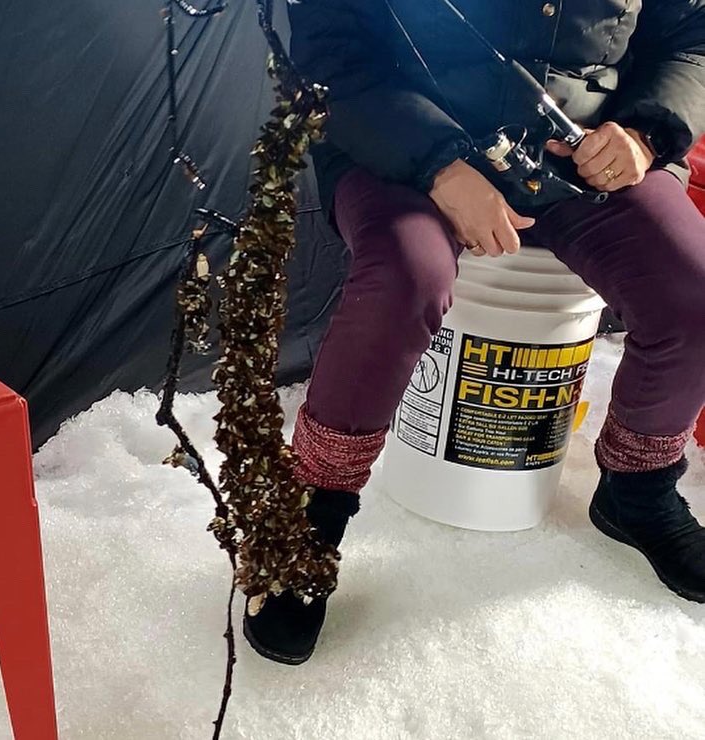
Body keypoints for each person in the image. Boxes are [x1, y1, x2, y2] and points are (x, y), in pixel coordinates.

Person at [242, 0, 705, 666]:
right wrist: (439, 165)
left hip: (578, 153)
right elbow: (329, 55)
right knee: (405, 273)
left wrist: (642, 132)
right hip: (395, 146)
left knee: (692, 291)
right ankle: (306, 519)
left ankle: (637, 490)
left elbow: (690, 34)